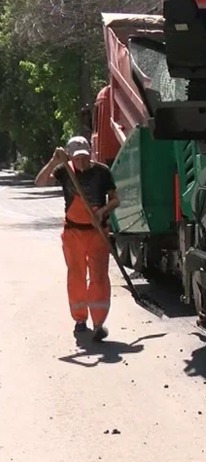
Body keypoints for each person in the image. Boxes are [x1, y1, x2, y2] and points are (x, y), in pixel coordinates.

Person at [34, 136, 120, 341]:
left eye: (85, 157)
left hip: (97, 231)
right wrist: (54, 162)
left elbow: (116, 200)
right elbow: (39, 183)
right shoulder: (64, 170)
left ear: (90, 154)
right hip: (73, 232)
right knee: (76, 276)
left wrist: (102, 212)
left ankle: (99, 322)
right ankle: (80, 319)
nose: (81, 162)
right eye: (77, 158)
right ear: (71, 157)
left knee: (99, 276)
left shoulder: (102, 172)